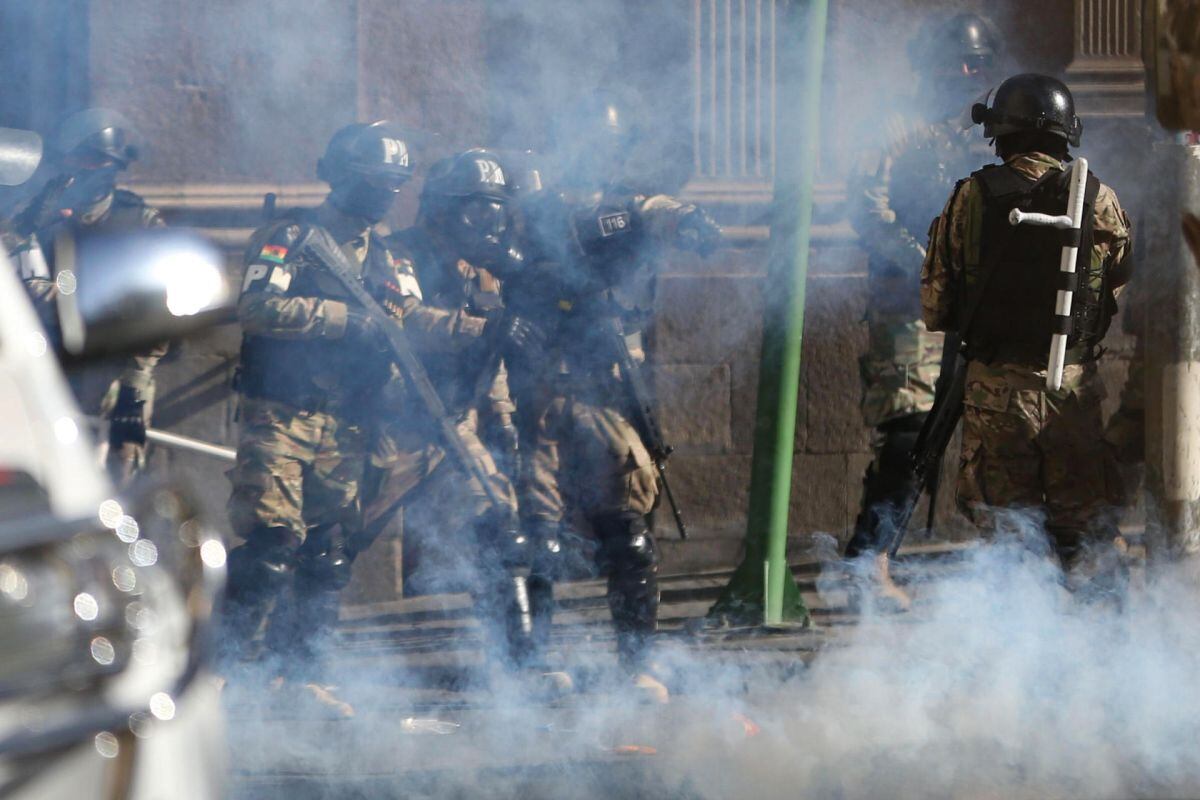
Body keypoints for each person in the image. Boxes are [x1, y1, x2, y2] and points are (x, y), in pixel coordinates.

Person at [505, 93, 721, 702]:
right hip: (540, 389)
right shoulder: (529, 213)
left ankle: (636, 666)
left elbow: (659, 211)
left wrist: (691, 222)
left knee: (626, 531)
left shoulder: (628, 208)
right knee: (536, 536)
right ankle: (531, 667)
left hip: (608, 391)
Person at [220, 121, 415, 715]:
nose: (385, 194)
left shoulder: (390, 255)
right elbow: (255, 307)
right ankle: (221, 673)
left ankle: (300, 675)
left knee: (328, 554)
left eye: (394, 184)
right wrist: (342, 320)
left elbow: (409, 320)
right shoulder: (292, 237)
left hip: (346, 420)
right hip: (280, 412)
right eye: (374, 181)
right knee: (271, 544)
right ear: (341, 176)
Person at [921, 74, 1132, 581]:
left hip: (996, 396)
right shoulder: (1100, 199)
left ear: (1001, 133)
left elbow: (935, 305)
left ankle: (1022, 652)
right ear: (1066, 134)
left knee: (1009, 548)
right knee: (1085, 541)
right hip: (1073, 395)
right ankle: (1103, 648)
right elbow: (1113, 292)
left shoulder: (968, 198)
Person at [361, 148, 554, 684]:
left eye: (496, 212)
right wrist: (478, 331)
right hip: (391, 426)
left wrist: (505, 419)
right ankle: (262, 660)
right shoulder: (394, 256)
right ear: (443, 209)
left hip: (454, 423)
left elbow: (489, 358)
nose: (488, 225)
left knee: (503, 532)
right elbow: (404, 318)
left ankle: (519, 669)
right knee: (322, 545)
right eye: (477, 211)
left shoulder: (481, 275)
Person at [843, 13, 1003, 609]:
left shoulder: (985, 131)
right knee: (912, 429)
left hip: (978, 308)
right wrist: (926, 263)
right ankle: (870, 560)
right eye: (958, 62)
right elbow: (867, 210)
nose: (967, 73)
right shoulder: (893, 129)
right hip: (911, 303)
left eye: (977, 63)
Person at [11, 108, 167, 483]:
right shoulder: (34, 218)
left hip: (115, 377)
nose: (83, 171)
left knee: (118, 481)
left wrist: (135, 385)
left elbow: (156, 312)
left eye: (94, 163)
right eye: (77, 162)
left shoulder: (138, 222)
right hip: (42, 372)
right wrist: (25, 226)